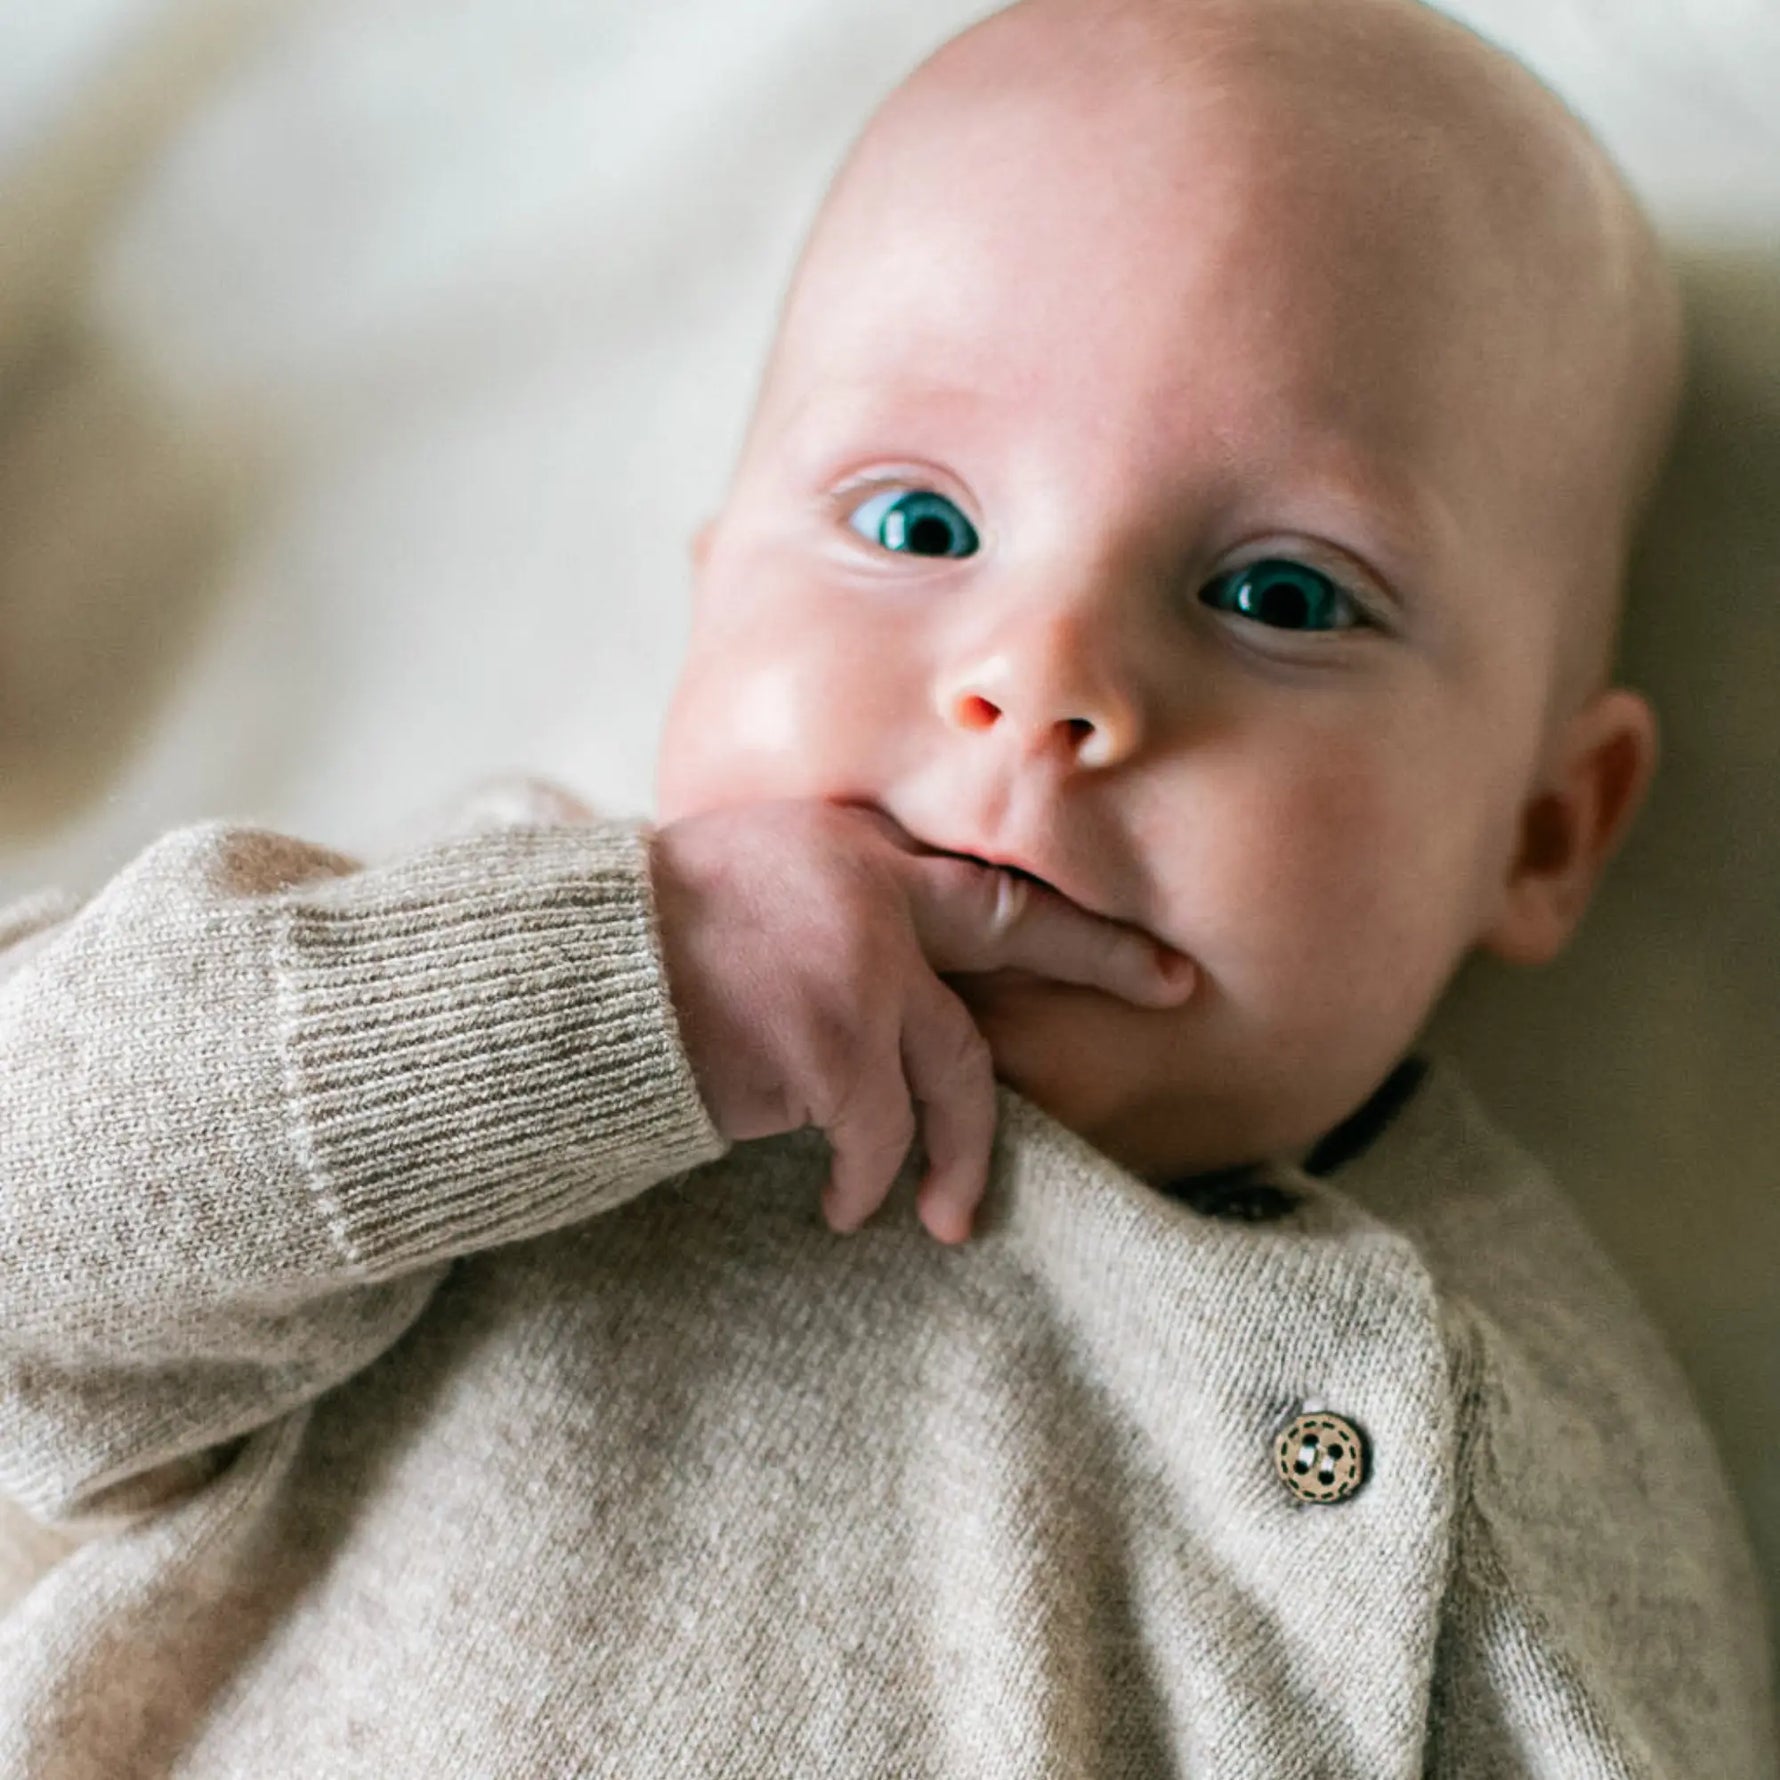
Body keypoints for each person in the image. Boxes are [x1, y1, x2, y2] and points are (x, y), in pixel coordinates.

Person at [1, 0, 1772, 1770]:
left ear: (1544, 834)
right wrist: (627, 985)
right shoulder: (461, 1016)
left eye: (1281, 597)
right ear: (713, 604)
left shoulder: (1496, 1411)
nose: (1043, 677)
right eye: (920, 525)